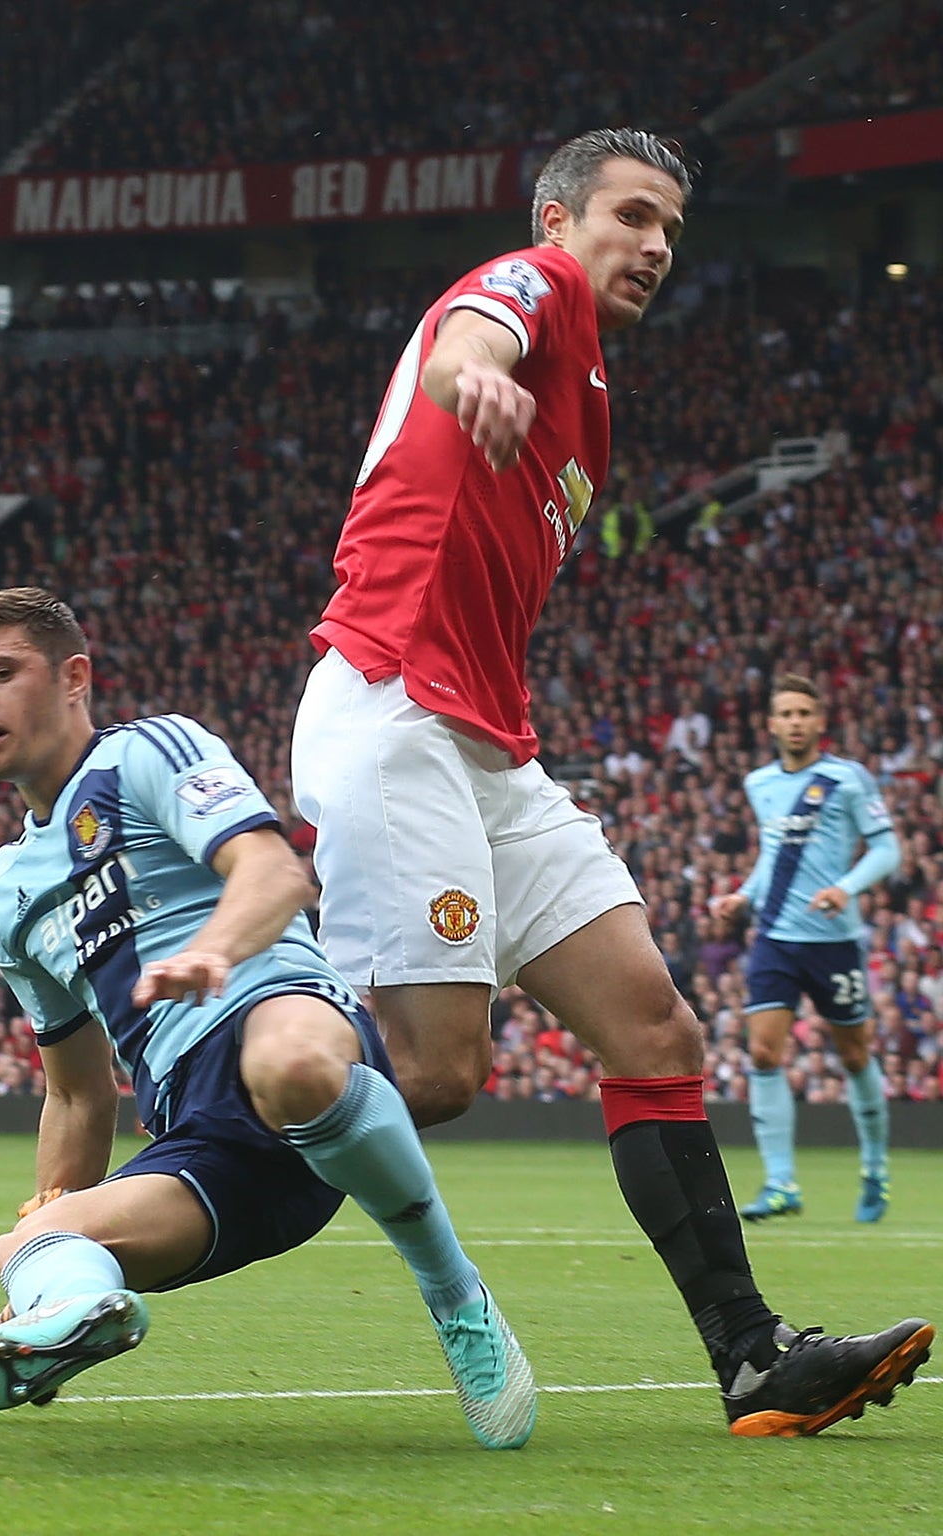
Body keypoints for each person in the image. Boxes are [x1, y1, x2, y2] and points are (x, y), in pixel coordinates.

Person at [288, 126, 931, 1435]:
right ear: (558, 217)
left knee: (656, 1033)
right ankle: (204, 1123)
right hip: (394, 703)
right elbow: (479, 326)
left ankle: (754, 1360)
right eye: (630, 214)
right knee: (442, 1077)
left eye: (670, 231)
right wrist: (472, 376)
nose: (650, 245)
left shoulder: (593, 413)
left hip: (488, 747)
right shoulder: (539, 289)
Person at [0, 588, 534, 1448]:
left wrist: (215, 950)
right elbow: (78, 1092)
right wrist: (44, 1249)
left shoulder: (148, 753)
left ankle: (455, 1296)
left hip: (283, 1022)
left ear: (72, 678)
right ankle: (62, 1316)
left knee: (286, 1065)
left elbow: (276, 874)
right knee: (23, 1240)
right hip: (204, 1135)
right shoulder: (12, 888)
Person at [711, 674, 900, 1223]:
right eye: (785, 713)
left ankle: (875, 1167)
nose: (795, 722)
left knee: (854, 1054)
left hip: (834, 942)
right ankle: (780, 1184)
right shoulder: (760, 784)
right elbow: (774, 858)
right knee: (764, 1053)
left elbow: (887, 850)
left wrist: (847, 888)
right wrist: (741, 897)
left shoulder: (847, 780)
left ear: (820, 721)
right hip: (775, 937)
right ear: (771, 724)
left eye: (803, 713)